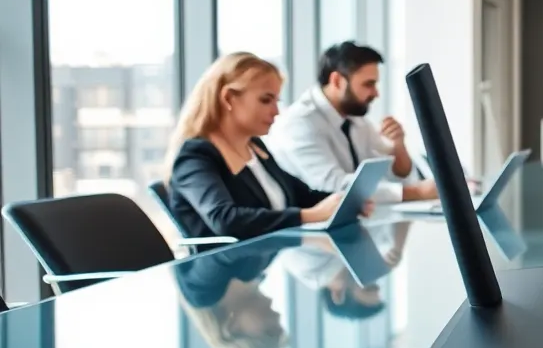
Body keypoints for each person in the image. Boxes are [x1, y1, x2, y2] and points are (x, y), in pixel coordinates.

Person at [165, 52, 350, 240]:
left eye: (276, 101)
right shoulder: (195, 156)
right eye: (265, 100)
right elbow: (225, 220)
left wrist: (345, 202)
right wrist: (309, 216)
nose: (276, 111)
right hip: (229, 258)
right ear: (228, 98)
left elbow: (301, 195)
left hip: (271, 254)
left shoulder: (254, 146)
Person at [266, 41, 439, 204]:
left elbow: (395, 174)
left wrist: (398, 146)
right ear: (337, 81)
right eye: (368, 84)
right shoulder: (299, 123)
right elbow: (333, 186)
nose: (376, 93)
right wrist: (415, 193)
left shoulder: (355, 119)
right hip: (315, 220)